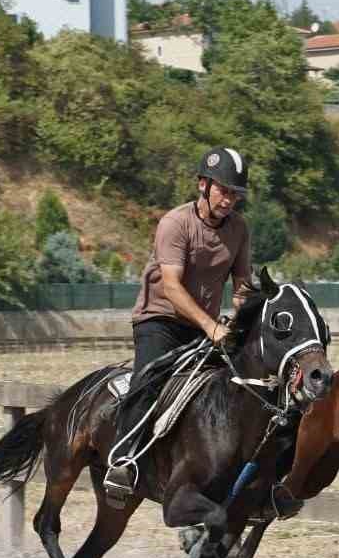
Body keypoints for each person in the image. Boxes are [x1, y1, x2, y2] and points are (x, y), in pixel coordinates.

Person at [103, 148, 254, 503]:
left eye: (235, 194)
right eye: (224, 190)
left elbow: (242, 283)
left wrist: (245, 310)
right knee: (148, 383)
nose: (229, 200)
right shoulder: (175, 223)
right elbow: (171, 287)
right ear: (203, 185)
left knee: (238, 386)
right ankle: (123, 464)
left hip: (205, 328)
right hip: (160, 320)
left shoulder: (240, 229)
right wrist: (211, 327)